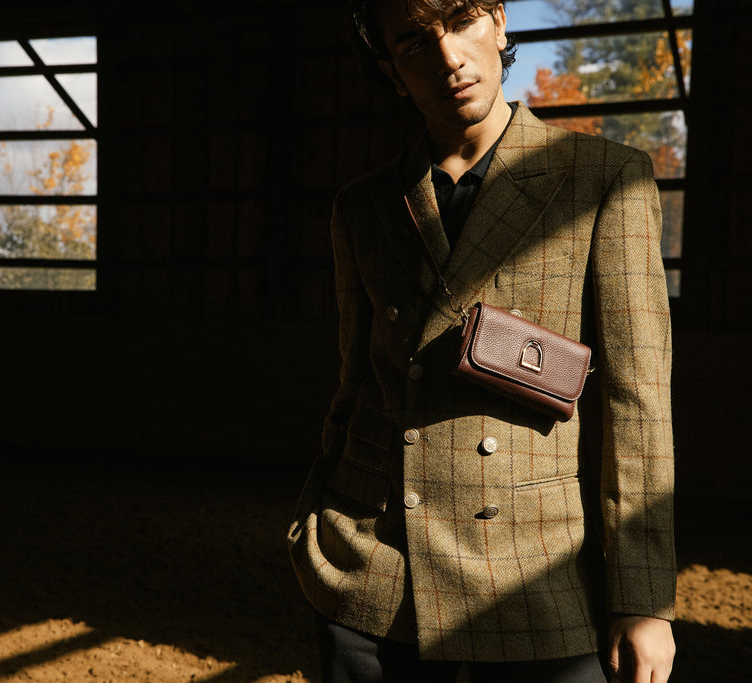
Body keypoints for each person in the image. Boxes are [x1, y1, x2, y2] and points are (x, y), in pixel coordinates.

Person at [287, 0, 676, 680]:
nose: (448, 58)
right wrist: (313, 519)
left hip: (537, 571)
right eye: (415, 43)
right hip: (372, 567)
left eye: (462, 20)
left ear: (497, 21)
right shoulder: (364, 207)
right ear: (391, 70)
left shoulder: (604, 178)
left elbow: (636, 403)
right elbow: (356, 384)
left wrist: (643, 599)